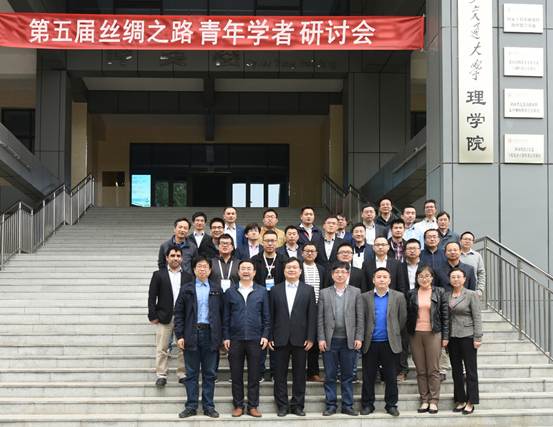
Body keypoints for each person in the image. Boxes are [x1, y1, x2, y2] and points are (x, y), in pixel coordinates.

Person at [174, 256, 224, 419]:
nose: (202, 269)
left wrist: (222, 337)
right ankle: (191, 406)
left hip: (211, 334)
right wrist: (179, 335)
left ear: (210, 270)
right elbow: (179, 313)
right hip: (191, 333)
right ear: (194, 269)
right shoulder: (186, 289)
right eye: (199, 266)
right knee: (191, 373)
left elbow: (222, 314)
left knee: (210, 373)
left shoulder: (216, 289)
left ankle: (209, 406)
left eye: (205, 267)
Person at [269, 257, 317, 417]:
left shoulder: (308, 290)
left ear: (300, 271)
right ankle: (282, 406)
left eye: (295, 267)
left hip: (301, 339)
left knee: (299, 375)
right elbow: (270, 315)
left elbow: (312, 315)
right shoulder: (275, 290)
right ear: (284, 271)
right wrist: (270, 336)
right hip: (279, 338)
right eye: (288, 267)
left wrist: (310, 337)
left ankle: (297, 405)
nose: (291, 270)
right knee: (279, 375)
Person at [223, 260, 270, 418]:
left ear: (254, 272)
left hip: (256, 339)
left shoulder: (262, 291)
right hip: (235, 339)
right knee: (236, 375)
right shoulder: (230, 292)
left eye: (249, 269)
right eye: (243, 268)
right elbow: (226, 317)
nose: (246, 271)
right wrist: (226, 336)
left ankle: (253, 406)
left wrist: (265, 335)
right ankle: (238, 405)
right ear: (238, 272)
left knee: (254, 375)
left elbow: (267, 316)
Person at [357, 267, 407, 417]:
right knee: (368, 376)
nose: (382, 279)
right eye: (378, 277)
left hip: (389, 342)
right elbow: (361, 318)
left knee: (391, 376)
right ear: (373, 280)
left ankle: (391, 405)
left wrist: (393, 331)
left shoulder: (398, 296)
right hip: (370, 342)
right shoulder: (364, 297)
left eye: (385, 277)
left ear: (389, 280)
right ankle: (367, 405)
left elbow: (402, 319)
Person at [318, 262, 363, 416]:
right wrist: (321, 338)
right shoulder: (324, 293)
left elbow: (360, 317)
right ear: (332, 275)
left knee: (348, 376)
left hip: (349, 340)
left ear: (348, 275)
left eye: (343, 272)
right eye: (337, 272)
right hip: (330, 340)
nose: (340, 275)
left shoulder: (356, 292)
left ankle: (347, 405)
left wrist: (359, 337)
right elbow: (320, 318)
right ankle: (331, 405)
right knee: (330, 375)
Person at [147, 246, 193, 387]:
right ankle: (161, 374)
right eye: (172, 255)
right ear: (167, 258)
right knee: (162, 347)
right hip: (164, 316)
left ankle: (182, 374)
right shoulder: (158, 275)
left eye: (178, 256)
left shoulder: (188, 276)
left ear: (182, 258)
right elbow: (152, 296)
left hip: (183, 317)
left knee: (183, 347)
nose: (175, 258)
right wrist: (152, 315)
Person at [406, 265, 449, 414]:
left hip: (433, 333)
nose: (424, 279)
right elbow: (408, 315)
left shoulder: (439, 292)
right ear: (417, 278)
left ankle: (434, 401)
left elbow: (445, 316)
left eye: (427, 276)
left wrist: (445, 336)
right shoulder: (411, 293)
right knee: (421, 369)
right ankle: (424, 400)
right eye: (421, 276)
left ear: (432, 278)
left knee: (433, 369)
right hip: (415, 334)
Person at [447, 267, 482, 415]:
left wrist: (478, 337)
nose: (456, 279)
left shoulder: (471, 294)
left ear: (464, 279)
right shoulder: (447, 295)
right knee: (456, 370)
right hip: (452, 337)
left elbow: (477, 317)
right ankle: (460, 399)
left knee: (470, 370)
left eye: (458, 277)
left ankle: (471, 401)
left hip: (468, 336)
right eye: (453, 277)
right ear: (450, 279)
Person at [300, 243, 327, 382]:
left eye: (312, 251)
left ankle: (313, 372)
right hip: (300, 307)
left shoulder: (322, 269)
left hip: (317, 308)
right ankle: (299, 371)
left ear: (316, 254)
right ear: (302, 253)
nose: (310, 253)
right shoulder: (298, 268)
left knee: (314, 341)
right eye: (307, 251)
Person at [459, 231, 486, 297]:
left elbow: (481, 273)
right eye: (465, 239)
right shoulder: (455, 254)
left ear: (473, 242)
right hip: (456, 290)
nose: (467, 241)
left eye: (470, 240)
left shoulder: (477, 256)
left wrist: (480, 290)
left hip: (473, 290)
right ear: (460, 241)